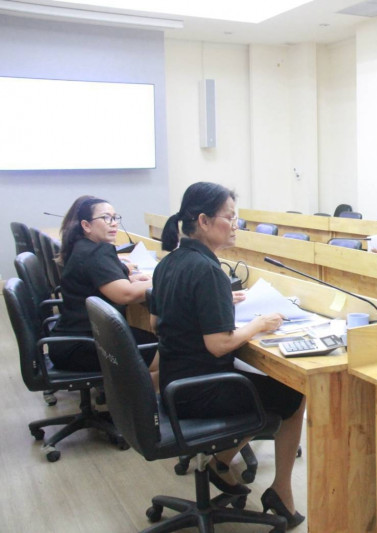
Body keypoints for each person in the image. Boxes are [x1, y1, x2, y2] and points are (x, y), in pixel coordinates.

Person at [150, 182, 306, 528]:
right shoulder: (209, 271)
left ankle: (221, 462)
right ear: (204, 221)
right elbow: (218, 345)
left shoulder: (168, 263)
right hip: (202, 391)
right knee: (294, 397)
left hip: (175, 385)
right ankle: (281, 490)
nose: (236, 225)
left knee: (268, 392)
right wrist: (259, 324)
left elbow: (155, 323)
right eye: (230, 218)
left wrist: (217, 303)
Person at [50, 196, 157, 374]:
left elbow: (97, 281)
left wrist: (129, 279)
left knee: (153, 341)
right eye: (106, 218)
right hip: (84, 345)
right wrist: (165, 276)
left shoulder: (82, 247)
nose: (113, 223)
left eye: (115, 218)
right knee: (168, 353)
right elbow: (126, 295)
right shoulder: (96, 252)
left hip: (72, 340)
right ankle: (141, 392)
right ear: (86, 225)